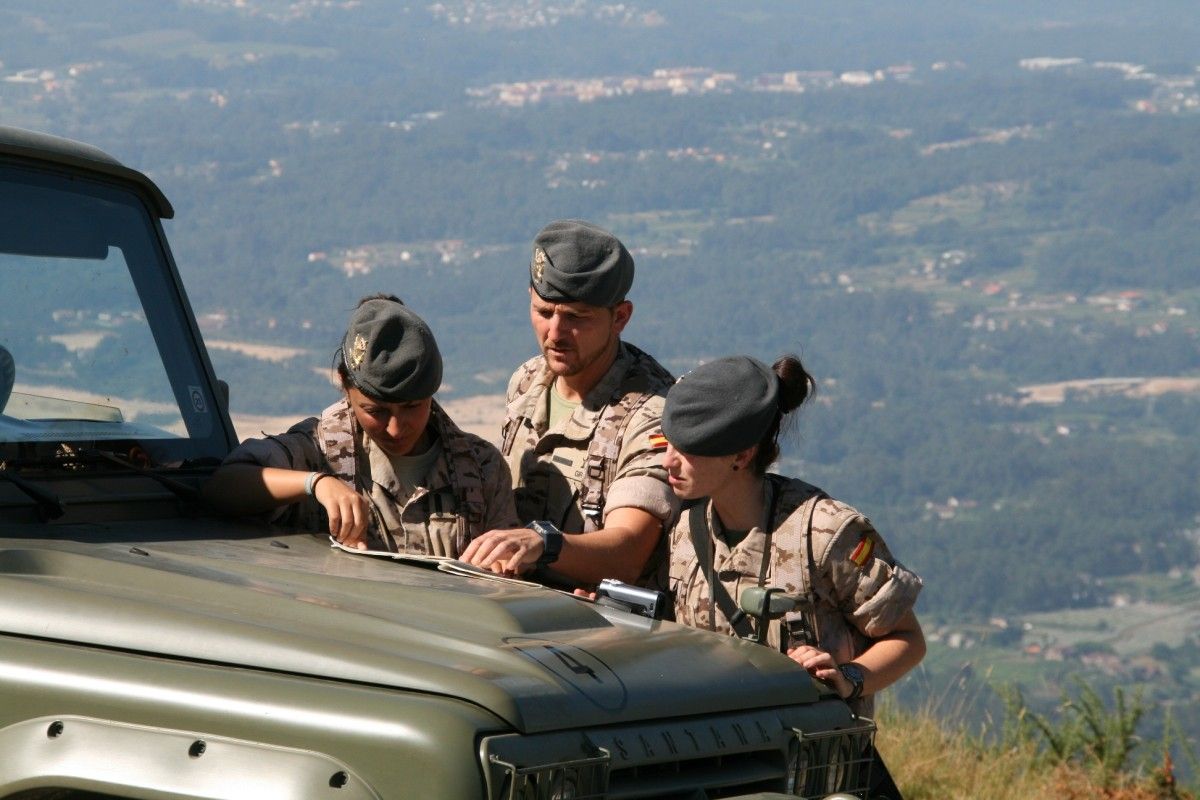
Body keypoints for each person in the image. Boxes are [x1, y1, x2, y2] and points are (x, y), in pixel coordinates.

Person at [661, 354, 924, 798]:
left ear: (741, 455)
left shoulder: (823, 533)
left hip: (819, 779)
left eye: (690, 449)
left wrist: (850, 676)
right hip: (721, 776)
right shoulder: (685, 532)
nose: (670, 461)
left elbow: (908, 639)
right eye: (668, 442)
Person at [203, 295, 520, 556]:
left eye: (412, 407)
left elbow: (507, 575)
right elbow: (224, 487)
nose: (396, 428)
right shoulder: (318, 449)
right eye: (376, 411)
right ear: (344, 385)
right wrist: (317, 484)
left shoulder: (480, 468)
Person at [460, 220, 677, 590]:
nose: (555, 334)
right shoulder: (528, 381)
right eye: (544, 313)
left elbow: (628, 552)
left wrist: (543, 545)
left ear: (620, 317)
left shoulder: (651, 414)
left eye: (577, 318)